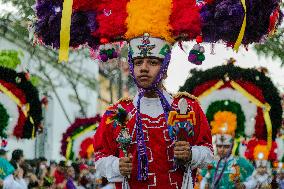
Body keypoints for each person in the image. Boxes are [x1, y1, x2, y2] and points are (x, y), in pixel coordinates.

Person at [93, 33, 213, 189]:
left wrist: (191, 154)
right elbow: (100, 158)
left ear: (165, 68)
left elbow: (208, 153)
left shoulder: (188, 107)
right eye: (138, 62)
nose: (143, 68)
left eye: (152, 62)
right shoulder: (116, 113)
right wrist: (117, 166)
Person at [200, 114, 254, 189]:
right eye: (219, 146)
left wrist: (244, 185)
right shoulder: (210, 162)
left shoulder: (241, 162)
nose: (222, 149)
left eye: (226, 146)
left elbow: (252, 181)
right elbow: (203, 181)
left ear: (231, 146)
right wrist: (204, 186)